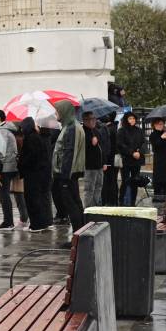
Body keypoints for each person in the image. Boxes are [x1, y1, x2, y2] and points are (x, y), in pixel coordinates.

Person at [51, 100, 86, 245]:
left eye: (57, 111)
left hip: (67, 175)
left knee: (72, 206)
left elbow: (68, 153)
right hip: (70, 173)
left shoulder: (71, 128)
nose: (55, 114)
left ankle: (76, 239)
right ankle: (79, 236)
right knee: (76, 205)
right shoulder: (71, 126)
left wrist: (64, 178)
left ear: (64, 111)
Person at [16, 118, 52, 231]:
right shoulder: (36, 137)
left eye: (22, 127)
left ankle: (36, 224)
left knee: (32, 199)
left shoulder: (31, 138)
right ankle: (41, 223)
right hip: (39, 174)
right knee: (38, 199)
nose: (21, 129)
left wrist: (21, 162)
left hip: (33, 175)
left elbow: (31, 157)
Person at [0, 110, 19, 230]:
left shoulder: (2, 131)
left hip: (5, 167)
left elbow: (1, 151)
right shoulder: (9, 130)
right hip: (10, 166)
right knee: (4, 194)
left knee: (3, 195)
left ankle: (8, 221)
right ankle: (8, 221)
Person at [116, 111, 145, 206]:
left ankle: (133, 202)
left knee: (135, 181)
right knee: (125, 181)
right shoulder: (121, 130)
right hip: (126, 159)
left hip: (137, 160)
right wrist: (131, 153)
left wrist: (139, 152)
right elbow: (120, 145)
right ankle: (122, 201)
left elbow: (143, 143)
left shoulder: (139, 130)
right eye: (130, 118)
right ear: (126, 119)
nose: (132, 120)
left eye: (133, 118)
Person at [81, 111, 105, 208]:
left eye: (94, 119)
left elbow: (102, 147)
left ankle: (95, 207)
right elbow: (82, 149)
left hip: (99, 165)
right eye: (90, 119)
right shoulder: (82, 132)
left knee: (98, 187)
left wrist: (104, 162)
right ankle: (87, 209)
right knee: (89, 188)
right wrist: (90, 143)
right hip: (89, 166)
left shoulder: (96, 131)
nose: (93, 121)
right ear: (85, 121)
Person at [100, 113, 119, 206]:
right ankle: (114, 201)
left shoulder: (107, 129)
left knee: (107, 181)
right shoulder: (114, 128)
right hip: (113, 159)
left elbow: (105, 146)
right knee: (113, 180)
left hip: (108, 159)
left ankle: (107, 201)